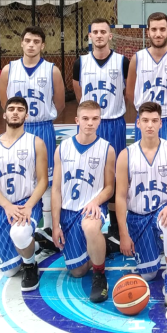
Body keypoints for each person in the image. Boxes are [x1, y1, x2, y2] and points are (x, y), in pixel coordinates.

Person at [0, 26, 65, 250]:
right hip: (19, 130)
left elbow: (60, 103)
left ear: (43, 45)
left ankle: (47, 228)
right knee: (22, 176)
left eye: (36, 41)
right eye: (27, 40)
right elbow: (5, 103)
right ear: (21, 43)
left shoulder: (52, 70)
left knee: (47, 178)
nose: (31, 45)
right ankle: (24, 223)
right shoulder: (9, 70)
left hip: (43, 127)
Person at [115, 102, 167, 306]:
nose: (150, 125)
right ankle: (157, 244)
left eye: (154, 121)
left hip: (163, 209)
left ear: (161, 123)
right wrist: (123, 234)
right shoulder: (126, 155)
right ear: (138, 123)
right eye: (145, 120)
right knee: (148, 274)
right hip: (137, 216)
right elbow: (120, 197)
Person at [51, 101, 116, 303]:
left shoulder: (107, 149)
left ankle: (99, 274)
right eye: (85, 118)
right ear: (77, 120)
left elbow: (109, 187)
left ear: (100, 121)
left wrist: (96, 201)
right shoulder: (62, 149)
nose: (90, 123)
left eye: (95, 118)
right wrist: (55, 225)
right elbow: (56, 189)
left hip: (93, 207)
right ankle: (99, 246)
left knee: (90, 227)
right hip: (68, 211)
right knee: (77, 272)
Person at [73, 18, 129, 252]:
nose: (98, 35)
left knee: (115, 176)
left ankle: (115, 226)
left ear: (110, 35)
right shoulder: (81, 62)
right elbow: (79, 94)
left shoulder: (122, 61)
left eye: (103, 31)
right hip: (90, 123)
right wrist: (89, 117)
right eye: (94, 32)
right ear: (90, 36)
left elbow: (127, 90)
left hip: (114, 122)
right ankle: (86, 217)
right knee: (88, 171)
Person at [0, 96, 48, 291]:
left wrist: (28, 206)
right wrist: (7, 206)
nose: (15, 112)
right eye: (11, 109)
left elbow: (43, 181)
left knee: (19, 233)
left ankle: (30, 265)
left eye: (20, 109)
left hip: (27, 202)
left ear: (26, 116)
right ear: (4, 114)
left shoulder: (36, 143)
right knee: (10, 271)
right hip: (1, 207)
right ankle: (38, 243)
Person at [126, 12, 167, 155]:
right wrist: (145, 111)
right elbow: (130, 92)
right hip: (145, 119)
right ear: (147, 32)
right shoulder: (137, 59)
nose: (158, 34)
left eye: (162, 29)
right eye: (154, 29)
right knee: (142, 161)